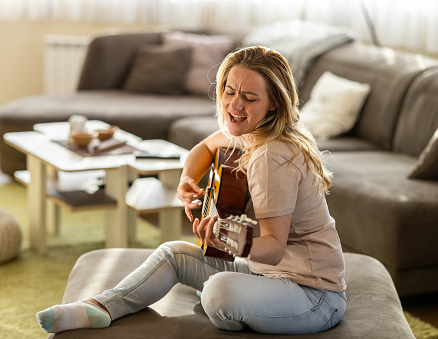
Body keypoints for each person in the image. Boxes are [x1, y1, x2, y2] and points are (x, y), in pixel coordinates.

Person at [36, 45, 346, 335]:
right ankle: (100, 307)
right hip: (265, 275)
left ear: (274, 102)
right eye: (229, 91)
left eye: (250, 97)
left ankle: (239, 306)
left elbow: (275, 249)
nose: (235, 105)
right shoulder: (252, 132)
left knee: (218, 292)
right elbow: (207, 146)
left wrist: (228, 236)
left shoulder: (271, 155)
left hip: (312, 293)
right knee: (173, 253)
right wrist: (188, 179)